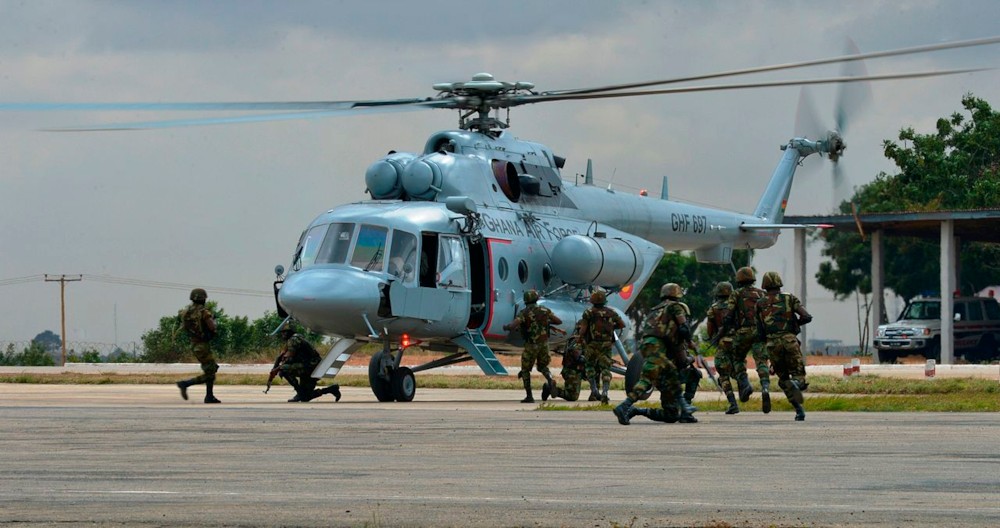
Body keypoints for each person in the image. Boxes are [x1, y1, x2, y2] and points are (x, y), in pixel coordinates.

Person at [613, 283, 697, 425]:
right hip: (656, 347)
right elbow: (683, 328)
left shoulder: (656, 310)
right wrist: (690, 342)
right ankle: (624, 406)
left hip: (648, 346)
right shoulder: (675, 307)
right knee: (648, 378)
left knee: (671, 416)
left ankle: (638, 410)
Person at [756, 271, 812, 421]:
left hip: (772, 345)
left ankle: (799, 410)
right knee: (798, 375)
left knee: (783, 379)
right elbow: (807, 317)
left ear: (764, 285)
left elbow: (760, 331)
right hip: (789, 341)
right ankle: (796, 384)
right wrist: (793, 325)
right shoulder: (789, 298)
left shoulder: (760, 303)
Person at [503, 290, 562, 403]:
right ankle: (550, 380)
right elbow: (558, 321)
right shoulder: (545, 310)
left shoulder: (524, 313)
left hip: (531, 345)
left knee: (525, 370)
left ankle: (529, 396)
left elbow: (514, 325)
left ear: (525, 300)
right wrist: (545, 322)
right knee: (543, 367)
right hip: (544, 345)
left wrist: (507, 327)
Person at [727, 266, 772, 413]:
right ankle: (765, 387)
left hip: (743, 332)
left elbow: (729, 314)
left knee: (737, 358)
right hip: (760, 332)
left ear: (739, 279)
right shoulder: (762, 293)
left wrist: (727, 328)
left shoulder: (736, 294)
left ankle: (744, 383)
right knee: (761, 361)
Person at [270, 321, 341, 403]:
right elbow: (281, 357)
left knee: (283, 370)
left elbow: (288, 359)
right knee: (305, 398)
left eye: (284, 332)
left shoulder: (293, 340)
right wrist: (274, 369)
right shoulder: (295, 339)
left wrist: (277, 369)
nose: (282, 335)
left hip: (310, 366)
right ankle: (331, 389)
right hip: (310, 366)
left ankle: (299, 392)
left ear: (289, 332)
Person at [578, 290, 625, 404]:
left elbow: (583, 330)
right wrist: (610, 326)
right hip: (606, 344)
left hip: (592, 344)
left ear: (592, 300)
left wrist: (580, 338)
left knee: (589, 366)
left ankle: (594, 390)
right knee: (605, 369)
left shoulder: (588, 313)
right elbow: (622, 324)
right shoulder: (611, 313)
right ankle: (605, 392)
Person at [175, 288, 221, 404]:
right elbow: (212, 327)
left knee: (211, 369)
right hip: (202, 345)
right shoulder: (204, 312)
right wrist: (214, 322)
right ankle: (186, 384)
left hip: (194, 344)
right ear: (203, 299)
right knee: (211, 373)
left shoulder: (186, 312)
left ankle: (209, 396)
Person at [706, 281, 743, 414]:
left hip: (723, 343)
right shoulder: (738, 306)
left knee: (723, 374)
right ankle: (744, 385)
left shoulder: (714, 308)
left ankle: (733, 404)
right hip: (740, 343)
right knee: (737, 370)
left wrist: (713, 338)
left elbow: (710, 331)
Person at [548, 321, 586, 402]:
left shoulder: (572, 339)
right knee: (572, 397)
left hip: (570, 370)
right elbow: (577, 355)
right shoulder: (579, 341)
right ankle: (551, 389)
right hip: (573, 371)